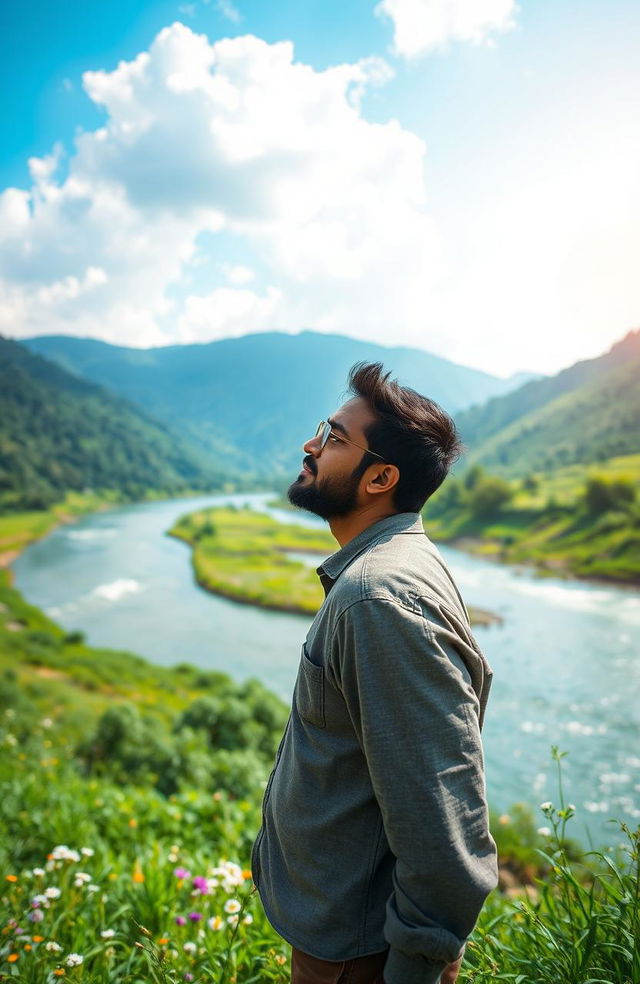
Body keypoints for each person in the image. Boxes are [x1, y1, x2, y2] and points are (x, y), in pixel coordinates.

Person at [251, 362, 498, 984]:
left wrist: (414, 967)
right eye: (322, 431)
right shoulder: (394, 565)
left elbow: (441, 824)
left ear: (381, 477)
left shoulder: (378, 599)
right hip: (345, 936)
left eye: (334, 439)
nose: (311, 446)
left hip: (357, 956)